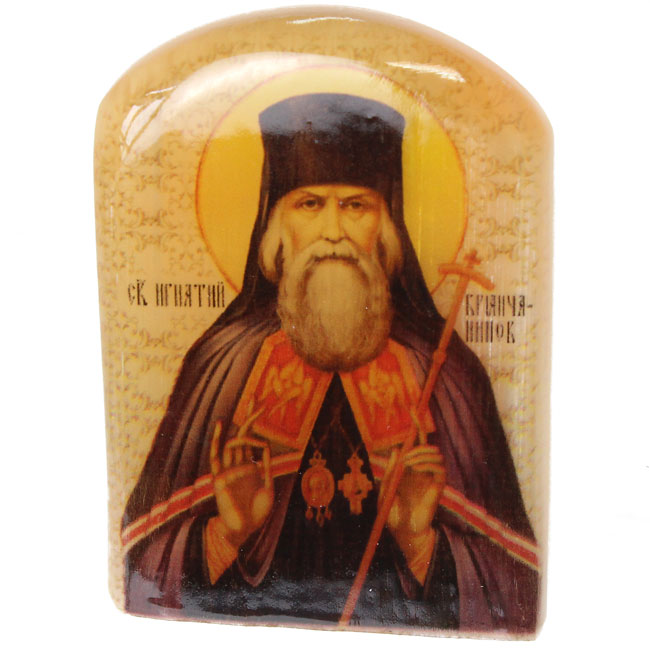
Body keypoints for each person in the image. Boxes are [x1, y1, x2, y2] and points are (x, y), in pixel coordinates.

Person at [121, 93, 539, 633]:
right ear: (277, 228)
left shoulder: (447, 373)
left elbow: (513, 586)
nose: (334, 232)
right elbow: (142, 565)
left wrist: (420, 542)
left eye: (356, 206)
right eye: (310, 204)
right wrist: (226, 534)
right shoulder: (222, 364)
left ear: (386, 229)